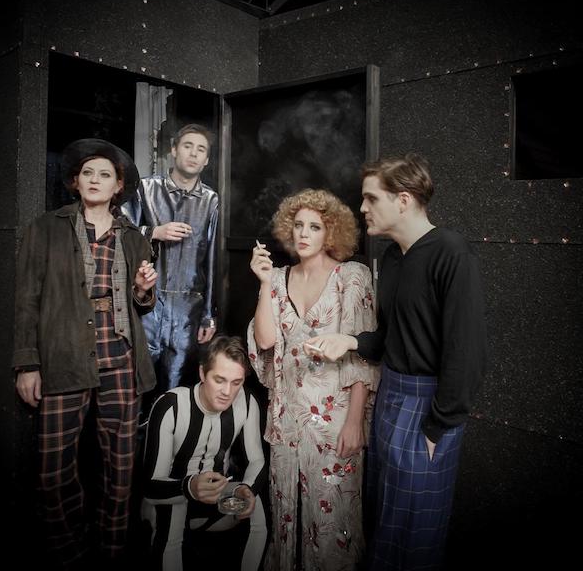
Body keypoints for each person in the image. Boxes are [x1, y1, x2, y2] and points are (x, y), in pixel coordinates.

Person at [305, 154, 488, 570]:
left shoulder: (451, 252)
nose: (362, 208)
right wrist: (349, 340)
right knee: (382, 523)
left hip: (428, 410)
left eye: (371, 198)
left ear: (403, 200)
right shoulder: (391, 258)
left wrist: (438, 427)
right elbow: (390, 337)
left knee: (414, 535)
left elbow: (467, 353)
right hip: (390, 398)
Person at [12, 138, 159, 569]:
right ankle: (69, 552)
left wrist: (143, 290)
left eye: (105, 174)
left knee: (120, 466)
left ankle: (112, 550)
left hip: (121, 358)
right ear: (75, 182)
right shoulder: (46, 228)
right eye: (88, 173)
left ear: (118, 186)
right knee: (53, 469)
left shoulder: (134, 237)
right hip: (64, 356)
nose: (95, 180)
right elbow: (26, 300)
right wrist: (27, 364)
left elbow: (142, 303)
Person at [247, 188, 379, 571]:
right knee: (285, 517)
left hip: (335, 422)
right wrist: (264, 283)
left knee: (334, 522)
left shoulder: (351, 277)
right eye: (299, 225)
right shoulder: (278, 277)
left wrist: (355, 421)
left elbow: (363, 355)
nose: (304, 233)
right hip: (287, 418)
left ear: (331, 232)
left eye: (315, 227)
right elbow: (266, 341)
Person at [141, 334, 268, 571]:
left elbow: (257, 460)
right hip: (168, 499)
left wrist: (246, 489)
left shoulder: (247, 402)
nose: (227, 391)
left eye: (236, 382)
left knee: (255, 501)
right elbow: (149, 486)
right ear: (202, 373)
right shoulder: (171, 404)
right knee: (173, 510)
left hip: (216, 501)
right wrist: (189, 486)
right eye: (219, 380)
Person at [121, 123, 218, 392]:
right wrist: (154, 232)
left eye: (201, 150)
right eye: (188, 146)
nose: (194, 153)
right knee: (137, 385)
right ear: (174, 150)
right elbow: (120, 233)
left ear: (206, 160)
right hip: (145, 305)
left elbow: (212, 261)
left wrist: (208, 315)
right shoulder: (145, 189)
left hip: (188, 311)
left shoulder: (212, 201)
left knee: (177, 390)